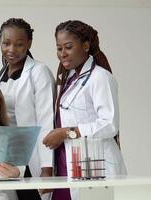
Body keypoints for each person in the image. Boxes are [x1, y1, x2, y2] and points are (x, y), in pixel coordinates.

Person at [42, 20, 127, 200]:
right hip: (67, 163)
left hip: (95, 166)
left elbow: (109, 124)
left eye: (68, 47)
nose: (62, 54)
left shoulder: (100, 78)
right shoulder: (69, 79)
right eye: (59, 48)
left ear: (86, 45)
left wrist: (67, 132)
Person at [0, 18, 55, 200]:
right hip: (8, 159)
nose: (11, 50)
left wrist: (46, 168)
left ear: (29, 43)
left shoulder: (39, 72)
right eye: (6, 43)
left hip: (32, 157)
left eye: (19, 44)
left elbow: (46, 120)